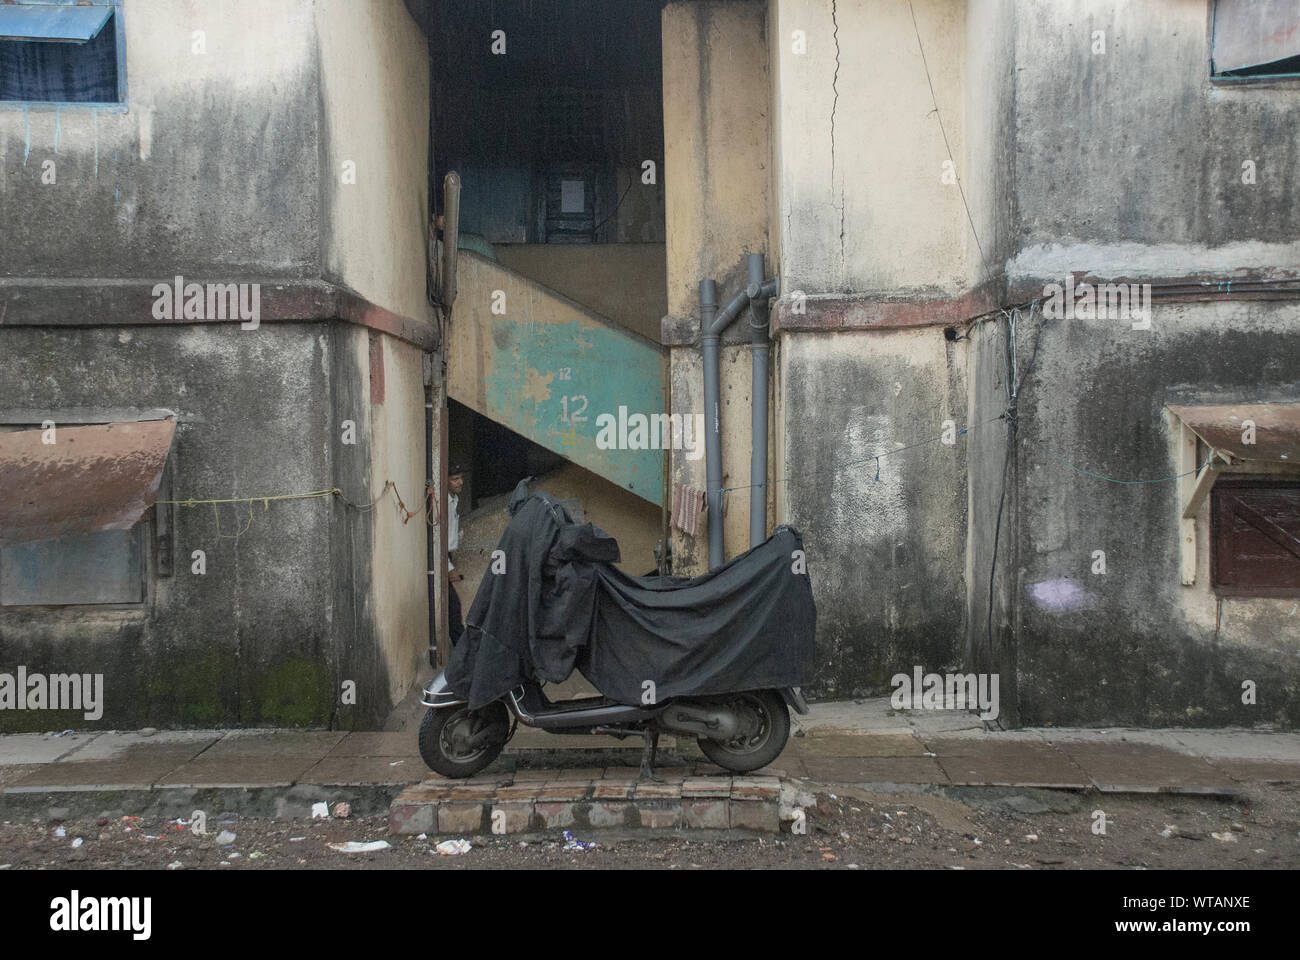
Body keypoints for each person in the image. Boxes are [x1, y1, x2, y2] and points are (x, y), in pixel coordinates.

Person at [446, 464, 466, 648]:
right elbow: (436, 540)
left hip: (449, 556)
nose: (460, 482)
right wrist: (448, 567)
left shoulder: (454, 499)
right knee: (453, 607)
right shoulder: (442, 503)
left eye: (460, 477)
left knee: (453, 607)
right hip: (442, 559)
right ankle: (462, 650)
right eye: (454, 479)